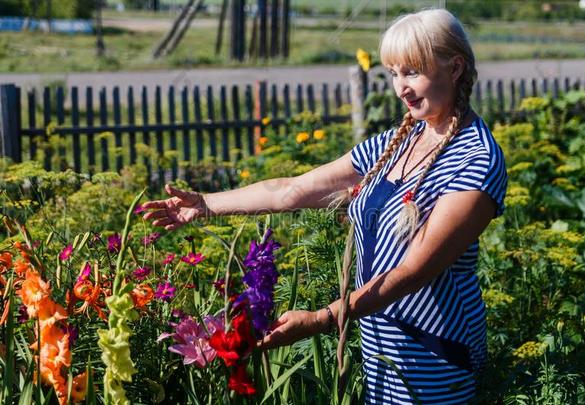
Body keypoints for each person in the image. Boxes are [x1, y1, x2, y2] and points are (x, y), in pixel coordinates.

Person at [142, 8, 507, 404]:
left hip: (435, 363)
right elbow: (292, 190)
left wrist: (322, 319)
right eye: (393, 73)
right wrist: (205, 204)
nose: (401, 87)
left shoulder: (477, 160)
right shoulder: (395, 143)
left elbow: (414, 270)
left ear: (454, 68)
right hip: (380, 356)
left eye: (412, 72)